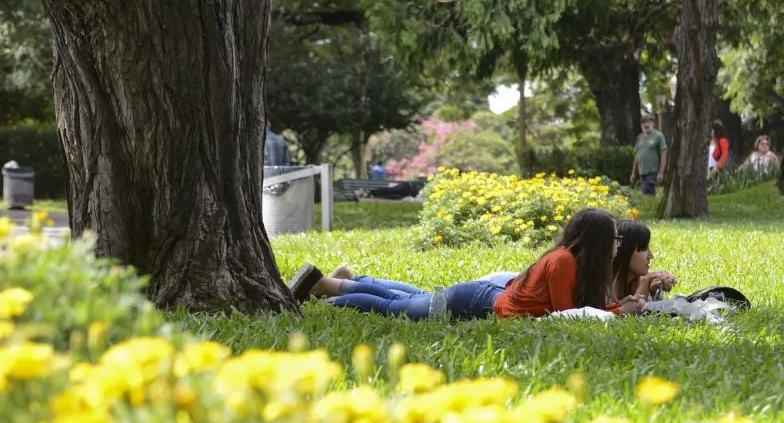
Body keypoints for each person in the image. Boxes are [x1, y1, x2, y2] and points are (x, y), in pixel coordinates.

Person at [287, 209, 647, 319]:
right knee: (394, 308)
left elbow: (579, 309)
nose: (617, 245)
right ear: (598, 242)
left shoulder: (569, 260)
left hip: (485, 296)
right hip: (477, 301)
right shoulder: (564, 262)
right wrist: (617, 313)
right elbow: (565, 316)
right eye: (614, 239)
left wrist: (618, 305)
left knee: (410, 300)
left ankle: (339, 283)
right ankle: (327, 289)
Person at [612, 220, 677, 300]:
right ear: (625, 252)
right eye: (643, 248)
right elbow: (631, 310)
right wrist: (646, 280)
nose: (651, 256)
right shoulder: (603, 290)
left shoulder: (634, 284)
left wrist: (653, 291)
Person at [631, 115, 668, 197]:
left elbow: (663, 154)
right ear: (641, 125)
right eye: (643, 123)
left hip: (652, 172)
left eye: (648, 122)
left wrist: (661, 173)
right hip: (642, 172)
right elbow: (637, 155)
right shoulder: (640, 137)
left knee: (646, 194)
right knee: (648, 196)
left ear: (653, 123)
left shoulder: (658, 136)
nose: (646, 124)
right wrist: (633, 172)